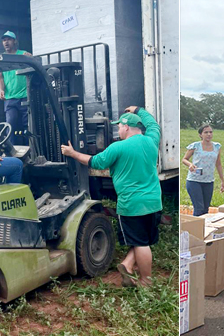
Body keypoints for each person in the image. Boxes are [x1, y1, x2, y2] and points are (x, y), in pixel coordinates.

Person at [62, 106, 161, 287]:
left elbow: (95, 162)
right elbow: (153, 124)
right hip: (153, 201)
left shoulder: (118, 147)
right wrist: (138, 109)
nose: (118, 130)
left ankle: (146, 281)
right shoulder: (152, 140)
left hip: (131, 204)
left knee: (140, 244)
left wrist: (72, 153)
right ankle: (127, 265)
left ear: (126, 127)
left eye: (119, 127)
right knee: (144, 240)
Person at [0, 31, 33, 146]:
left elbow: (34, 67)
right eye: (4, 40)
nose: (6, 42)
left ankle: (31, 151)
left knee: (28, 126)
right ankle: (11, 152)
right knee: (10, 124)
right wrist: (1, 90)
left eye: (8, 39)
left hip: (24, 97)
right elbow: (0, 77)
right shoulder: (1, 58)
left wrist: (32, 59)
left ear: (14, 41)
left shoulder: (23, 55)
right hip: (10, 99)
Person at [183, 124, 224, 216]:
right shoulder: (195, 146)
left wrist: (222, 180)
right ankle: (195, 229)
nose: (209, 134)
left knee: (206, 209)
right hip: (194, 181)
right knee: (199, 208)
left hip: (208, 181)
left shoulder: (217, 147)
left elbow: (218, 164)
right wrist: (190, 164)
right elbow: (184, 159)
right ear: (200, 135)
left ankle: (203, 229)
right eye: (206, 132)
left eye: (210, 132)